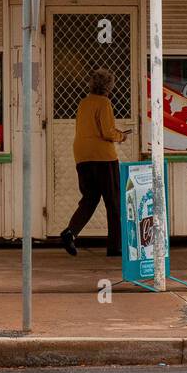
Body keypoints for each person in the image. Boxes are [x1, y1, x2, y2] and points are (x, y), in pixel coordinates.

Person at [60, 68, 129, 257]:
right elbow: (107, 132)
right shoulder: (104, 103)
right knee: (113, 203)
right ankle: (115, 247)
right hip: (103, 157)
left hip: (82, 156)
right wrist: (121, 136)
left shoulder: (83, 102)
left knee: (89, 199)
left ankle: (70, 232)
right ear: (109, 86)